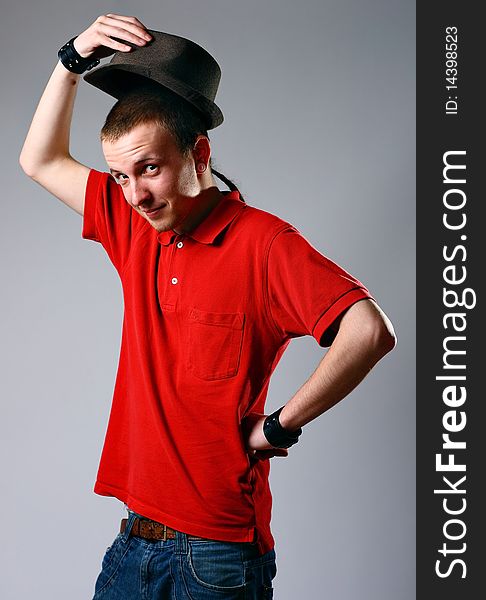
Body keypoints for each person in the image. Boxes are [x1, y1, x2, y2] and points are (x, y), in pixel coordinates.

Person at [19, 13, 396, 600]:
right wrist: (71, 59)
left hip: (216, 554)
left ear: (199, 153)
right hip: (133, 538)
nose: (136, 195)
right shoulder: (133, 224)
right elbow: (39, 161)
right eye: (119, 176)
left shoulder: (265, 244)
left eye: (150, 169)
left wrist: (280, 426)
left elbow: (369, 330)